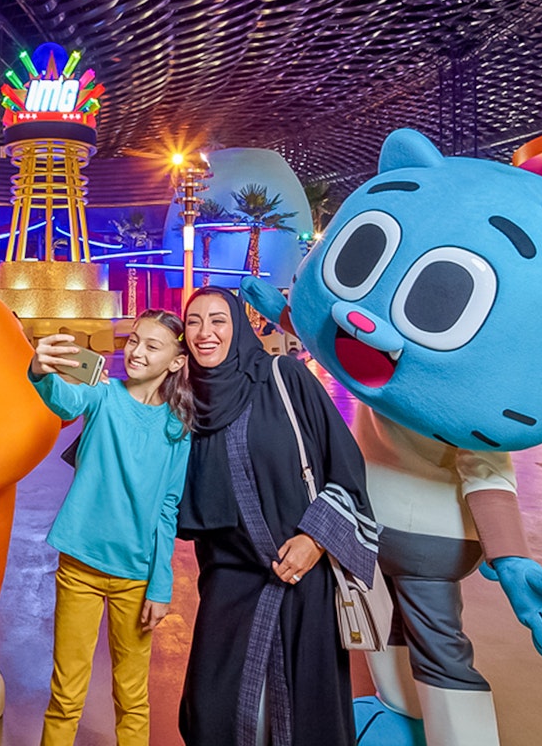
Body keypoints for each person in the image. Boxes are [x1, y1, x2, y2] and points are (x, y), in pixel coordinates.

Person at [177, 287, 377, 746]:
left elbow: (344, 464)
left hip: (302, 573)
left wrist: (315, 539)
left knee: (305, 710)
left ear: (239, 327)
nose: (205, 333)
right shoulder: (185, 400)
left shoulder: (283, 376)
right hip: (229, 578)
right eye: (193, 322)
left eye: (218, 320)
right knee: (214, 707)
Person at [30, 310, 193, 746]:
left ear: (176, 362)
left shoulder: (178, 430)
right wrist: (38, 370)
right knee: (66, 695)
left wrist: (161, 586)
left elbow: (168, 508)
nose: (136, 351)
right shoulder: (102, 395)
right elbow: (63, 400)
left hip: (135, 579)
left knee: (132, 695)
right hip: (79, 566)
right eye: (134, 340)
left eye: (152, 346)